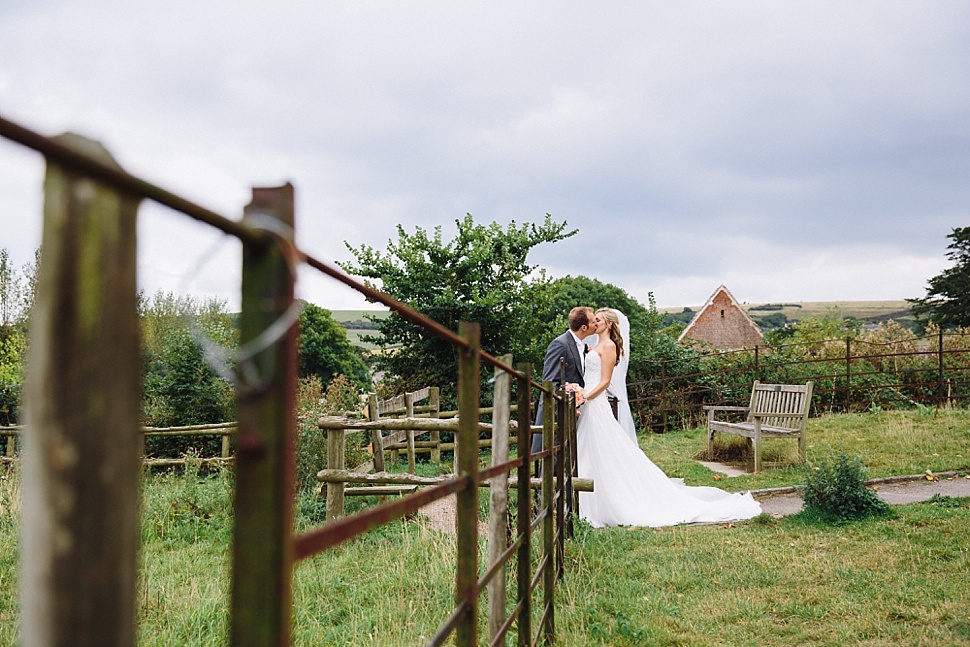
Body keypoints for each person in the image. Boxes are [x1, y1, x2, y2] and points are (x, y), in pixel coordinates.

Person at [578, 308, 762, 528]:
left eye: (597, 320)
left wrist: (584, 397)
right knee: (592, 451)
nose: (594, 323)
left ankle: (607, 502)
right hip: (590, 405)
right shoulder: (596, 346)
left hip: (594, 403)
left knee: (604, 451)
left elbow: (605, 382)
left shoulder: (608, 347)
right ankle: (587, 501)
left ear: (608, 324)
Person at [531, 306, 596, 457]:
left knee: (565, 458)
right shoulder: (560, 344)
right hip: (557, 413)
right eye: (593, 322)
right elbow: (550, 381)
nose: (596, 325)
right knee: (552, 458)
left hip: (573, 413)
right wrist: (566, 406)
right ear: (584, 327)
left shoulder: (581, 346)